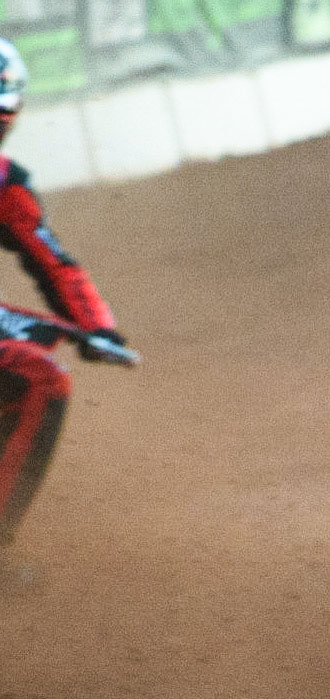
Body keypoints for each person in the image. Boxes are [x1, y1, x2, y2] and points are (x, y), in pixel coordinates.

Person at [0, 37, 130, 549]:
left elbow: (54, 261)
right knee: (39, 376)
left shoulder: (8, 184)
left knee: (35, 366)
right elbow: (53, 260)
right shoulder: (7, 180)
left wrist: (96, 326)